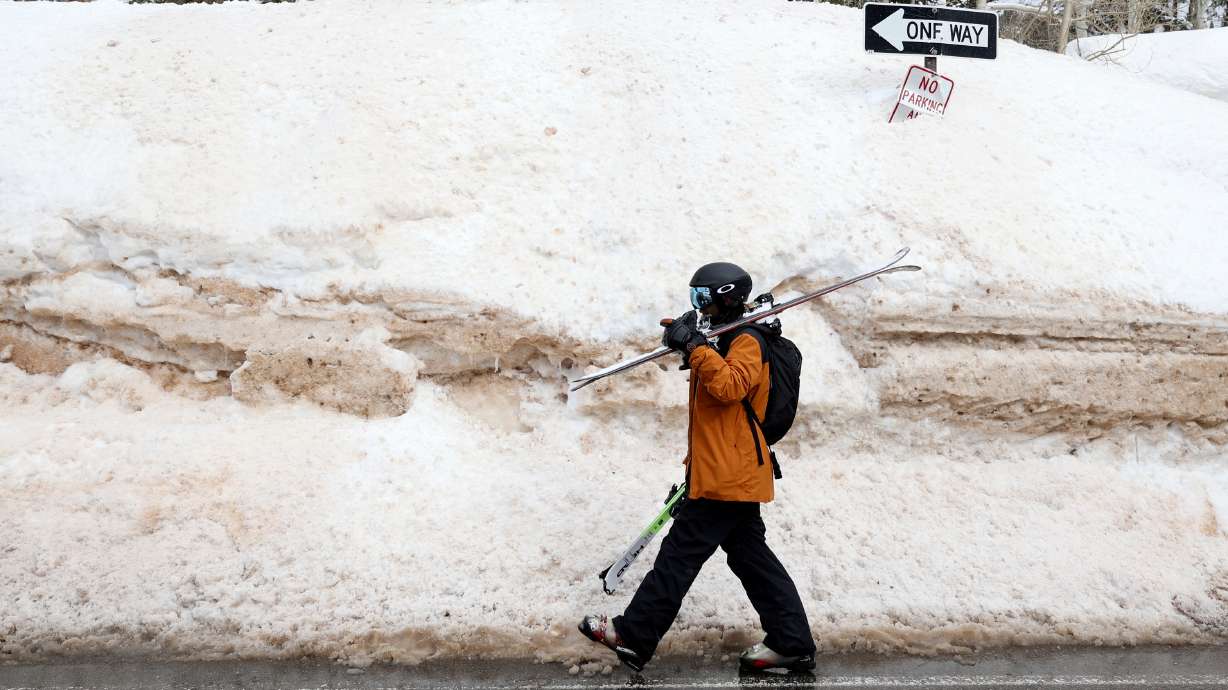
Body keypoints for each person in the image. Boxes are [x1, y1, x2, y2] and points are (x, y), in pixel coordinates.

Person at [579, 262, 816, 673]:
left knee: (679, 555)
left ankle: (634, 635)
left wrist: (695, 346)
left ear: (726, 296)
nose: (699, 306)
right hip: (725, 470)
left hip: (729, 474)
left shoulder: (748, 340)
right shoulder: (726, 339)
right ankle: (791, 642)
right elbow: (715, 396)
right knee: (750, 559)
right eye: (694, 299)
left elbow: (728, 388)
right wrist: (690, 342)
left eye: (703, 298)